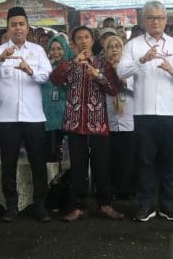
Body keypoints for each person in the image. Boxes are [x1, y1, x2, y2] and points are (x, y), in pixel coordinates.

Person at [117, 1, 173, 222]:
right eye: (150, 17)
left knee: (169, 161)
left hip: (170, 112)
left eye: (159, 17)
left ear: (165, 20)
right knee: (145, 161)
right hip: (144, 111)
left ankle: (168, 205)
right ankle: (145, 205)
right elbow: (121, 71)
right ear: (144, 21)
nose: (155, 21)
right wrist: (142, 60)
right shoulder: (134, 45)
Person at [0, 6, 53, 223]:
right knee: (8, 164)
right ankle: (11, 206)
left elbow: (46, 75)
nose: (18, 28)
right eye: (13, 25)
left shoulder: (37, 51)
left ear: (28, 27)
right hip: (8, 118)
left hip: (34, 117)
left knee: (38, 163)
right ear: (8, 28)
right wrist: (1, 58)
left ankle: (40, 205)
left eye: (22, 24)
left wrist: (29, 70)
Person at [51, 26, 121, 222]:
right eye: (79, 38)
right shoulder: (69, 63)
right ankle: (78, 207)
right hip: (75, 123)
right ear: (73, 43)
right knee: (78, 167)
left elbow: (113, 89)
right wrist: (73, 63)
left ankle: (105, 204)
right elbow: (55, 79)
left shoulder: (102, 62)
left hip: (98, 122)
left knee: (102, 165)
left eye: (87, 37)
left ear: (92, 40)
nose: (83, 41)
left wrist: (98, 75)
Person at [103, 35, 137, 200]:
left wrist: (124, 80)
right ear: (105, 51)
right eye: (110, 47)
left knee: (128, 156)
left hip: (128, 117)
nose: (114, 49)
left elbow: (138, 88)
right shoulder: (102, 68)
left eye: (117, 46)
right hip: (109, 118)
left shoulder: (129, 67)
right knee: (112, 156)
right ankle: (113, 190)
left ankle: (128, 189)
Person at [41, 35, 72, 161]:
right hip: (47, 115)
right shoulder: (44, 67)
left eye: (59, 49)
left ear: (65, 49)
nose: (56, 52)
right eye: (52, 49)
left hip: (66, 115)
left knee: (65, 153)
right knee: (49, 152)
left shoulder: (71, 66)